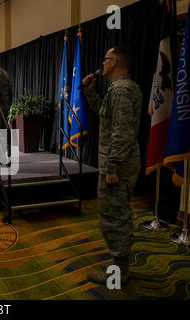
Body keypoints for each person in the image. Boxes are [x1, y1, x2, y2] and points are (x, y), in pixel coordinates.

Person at [82, 44, 142, 285]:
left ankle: (120, 271)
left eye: (106, 59)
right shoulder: (120, 90)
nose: (102, 63)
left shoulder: (122, 91)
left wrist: (112, 167)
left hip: (118, 166)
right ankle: (119, 261)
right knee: (114, 213)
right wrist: (89, 93)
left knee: (114, 216)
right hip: (117, 162)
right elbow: (105, 116)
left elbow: (121, 134)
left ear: (114, 62)